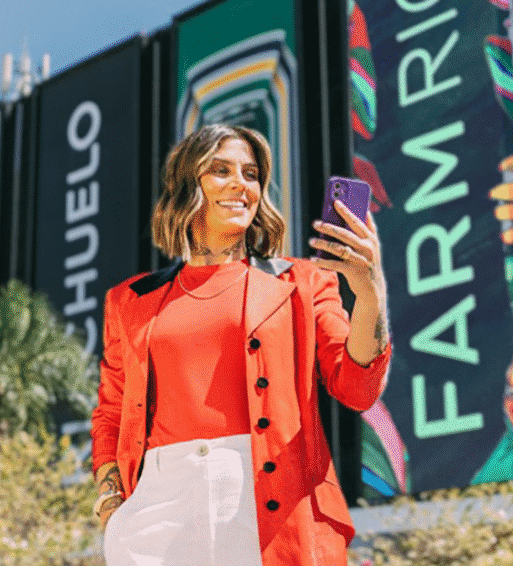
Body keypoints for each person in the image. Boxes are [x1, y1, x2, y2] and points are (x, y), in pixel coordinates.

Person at [90, 124, 392, 566]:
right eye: (220, 170)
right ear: (186, 183)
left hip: (270, 501)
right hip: (157, 505)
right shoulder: (130, 300)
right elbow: (111, 412)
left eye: (251, 174)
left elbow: (356, 387)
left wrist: (370, 293)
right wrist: (110, 500)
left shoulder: (302, 281)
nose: (240, 184)